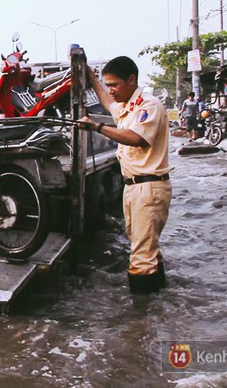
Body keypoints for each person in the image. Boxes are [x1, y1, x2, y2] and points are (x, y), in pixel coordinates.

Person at [77, 56, 172, 294]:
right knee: (146, 247)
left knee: (141, 258)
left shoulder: (148, 105)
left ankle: (140, 321)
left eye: (115, 85)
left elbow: (136, 138)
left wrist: (97, 127)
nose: (111, 90)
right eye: (108, 84)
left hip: (148, 188)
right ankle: (160, 304)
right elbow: (109, 103)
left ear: (132, 80)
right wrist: (92, 78)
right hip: (135, 187)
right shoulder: (128, 106)